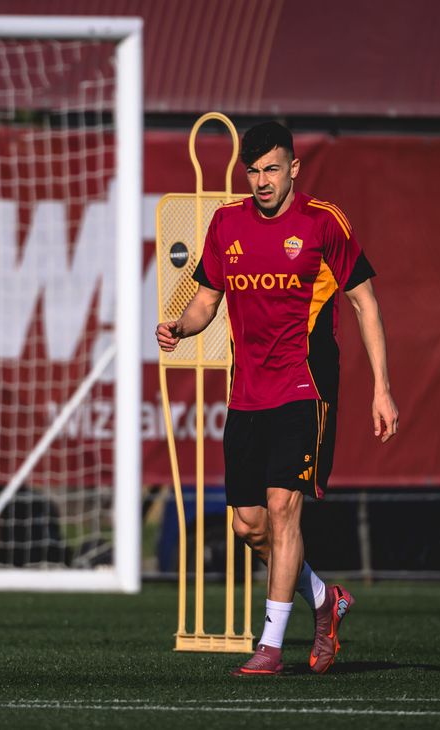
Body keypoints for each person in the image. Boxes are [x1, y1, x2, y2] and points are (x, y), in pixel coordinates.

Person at [157, 121, 398, 675]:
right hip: (248, 393)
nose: (262, 180)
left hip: (305, 385)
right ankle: (323, 599)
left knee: (284, 506)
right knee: (248, 524)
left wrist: (382, 388)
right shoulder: (226, 223)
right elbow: (206, 300)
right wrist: (181, 327)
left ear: (293, 168)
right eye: (254, 171)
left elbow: (365, 304)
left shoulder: (322, 222)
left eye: (272, 168)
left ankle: (269, 645)